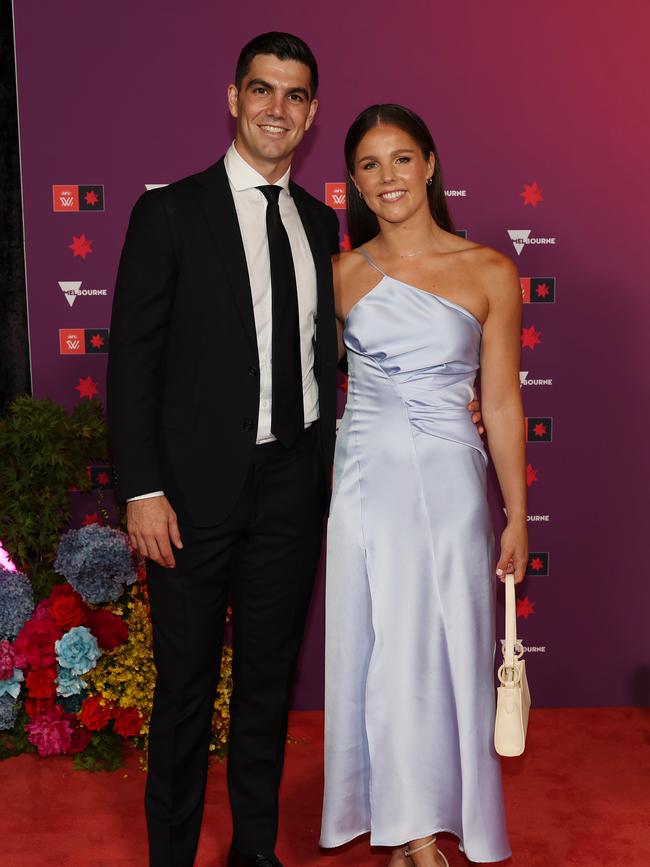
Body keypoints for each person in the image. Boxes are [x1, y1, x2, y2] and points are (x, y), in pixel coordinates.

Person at [108, 33, 484, 866]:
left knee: (267, 688)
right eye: (263, 90)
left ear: (311, 114)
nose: (278, 108)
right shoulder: (170, 211)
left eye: (296, 95)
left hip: (294, 488)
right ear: (234, 99)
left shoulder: (324, 227)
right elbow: (131, 359)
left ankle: (254, 851)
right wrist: (141, 488)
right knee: (184, 690)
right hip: (188, 497)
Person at [320, 104, 528, 867]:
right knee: (381, 646)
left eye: (401, 159)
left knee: (445, 647)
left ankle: (436, 814)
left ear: (431, 164)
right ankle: (408, 831)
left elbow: (502, 399)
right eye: (370, 166)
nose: (388, 178)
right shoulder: (338, 274)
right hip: (366, 475)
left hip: (450, 477)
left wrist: (517, 513)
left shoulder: (489, 269)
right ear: (353, 183)